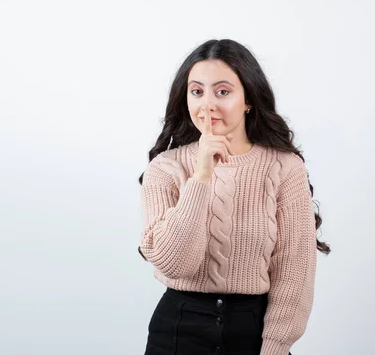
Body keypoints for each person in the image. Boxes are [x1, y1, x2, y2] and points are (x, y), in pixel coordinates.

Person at [137, 39, 331, 355]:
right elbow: (176, 263)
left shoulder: (283, 167)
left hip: (253, 333)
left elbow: (294, 271)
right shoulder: (165, 168)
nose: (208, 104)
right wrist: (201, 177)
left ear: (248, 100)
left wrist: (276, 347)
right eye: (197, 91)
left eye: (223, 92)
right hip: (177, 332)